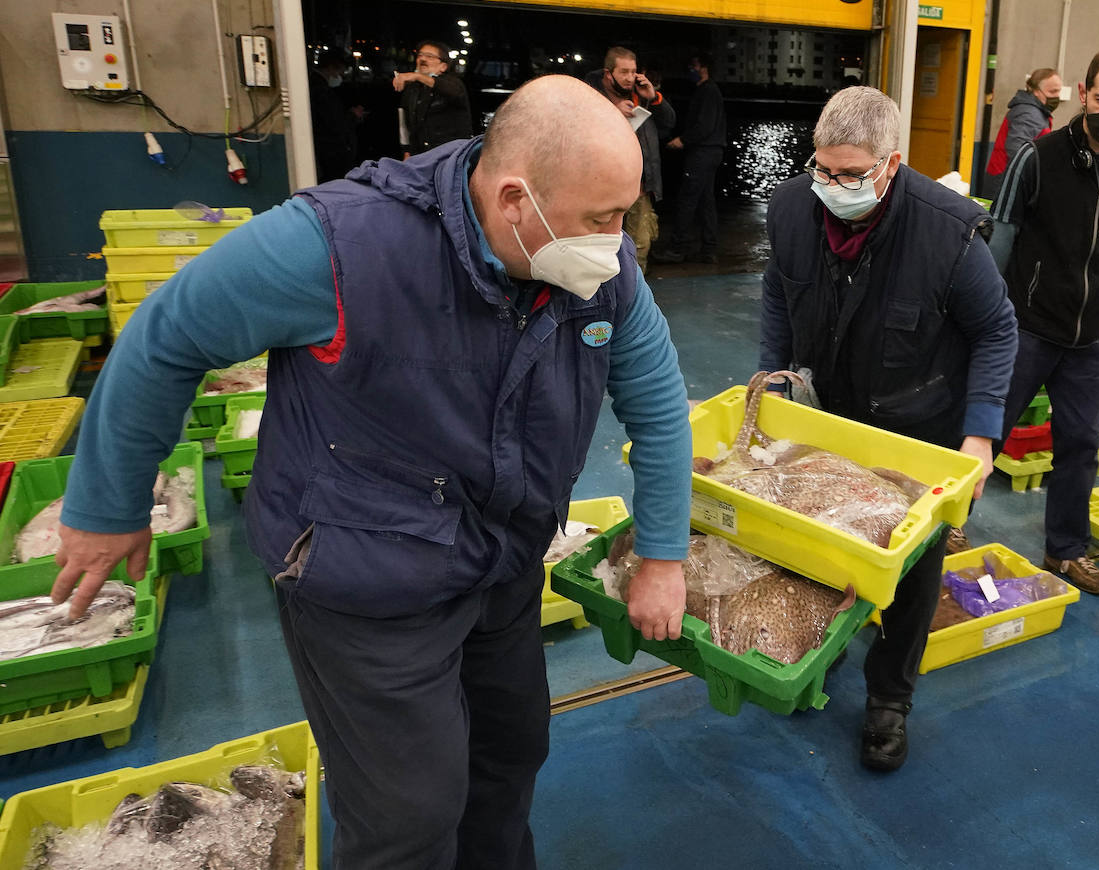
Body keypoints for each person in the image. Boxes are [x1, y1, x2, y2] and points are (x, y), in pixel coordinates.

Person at [51, 75, 691, 868]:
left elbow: (658, 402)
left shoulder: (601, 271)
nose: (616, 241)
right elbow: (165, 336)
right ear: (517, 200)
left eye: (621, 218)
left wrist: (663, 553)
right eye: (600, 220)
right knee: (407, 814)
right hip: (368, 577)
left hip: (501, 559)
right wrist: (108, 504)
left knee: (511, 754)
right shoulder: (338, 246)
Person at [759, 86, 1018, 773]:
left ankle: (889, 699)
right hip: (829, 416)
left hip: (917, 426)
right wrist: (772, 383)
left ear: (891, 163)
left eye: (851, 174)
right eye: (823, 169)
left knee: (910, 567)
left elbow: (996, 330)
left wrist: (980, 435)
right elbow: (778, 295)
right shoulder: (790, 210)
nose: (832, 186)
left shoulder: (946, 232)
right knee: (821, 541)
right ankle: (825, 645)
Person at [988, 48, 1099, 597]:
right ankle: (946, 526)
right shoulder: (1037, 157)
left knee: (1081, 441)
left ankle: (1065, 551)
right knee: (984, 429)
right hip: (1028, 326)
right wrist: (990, 319)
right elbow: (1002, 237)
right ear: (1082, 94)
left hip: (1092, 335)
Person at [586, 46, 676, 270]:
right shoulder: (589, 96)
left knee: (640, 243)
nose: (629, 78)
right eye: (623, 72)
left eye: (632, 72)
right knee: (601, 243)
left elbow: (669, 123)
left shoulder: (640, 94)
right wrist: (611, 111)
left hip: (639, 186)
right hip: (602, 187)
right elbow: (578, 133)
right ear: (609, 73)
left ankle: (633, 292)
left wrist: (654, 98)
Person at [655, 53, 725, 264]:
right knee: (705, 201)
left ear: (703, 67)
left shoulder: (707, 91)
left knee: (687, 199)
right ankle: (708, 249)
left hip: (702, 152)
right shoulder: (711, 91)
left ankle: (678, 248)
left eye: (693, 66)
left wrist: (682, 140)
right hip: (712, 151)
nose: (690, 70)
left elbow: (704, 126)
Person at [985, 68, 1061, 195]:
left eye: (1058, 91)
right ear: (1036, 92)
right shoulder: (1028, 114)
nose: (1057, 96)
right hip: (1005, 184)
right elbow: (1017, 151)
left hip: (1006, 180)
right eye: (1052, 91)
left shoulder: (1035, 111)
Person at [394, 39, 473, 158]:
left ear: (443, 66)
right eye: (420, 55)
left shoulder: (454, 84)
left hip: (450, 156)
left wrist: (416, 76)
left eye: (430, 56)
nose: (423, 59)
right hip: (420, 156)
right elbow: (404, 123)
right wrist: (407, 151)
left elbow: (452, 91)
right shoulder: (412, 89)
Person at [308, 48, 360, 182]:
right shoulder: (320, 91)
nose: (340, 76)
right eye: (340, 71)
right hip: (328, 153)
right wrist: (353, 116)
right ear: (331, 68)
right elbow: (334, 123)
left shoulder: (315, 85)